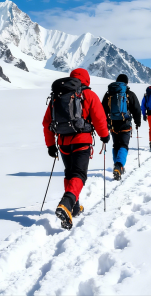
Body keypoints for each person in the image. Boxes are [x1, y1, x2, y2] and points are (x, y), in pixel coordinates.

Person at [43, 68, 110, 230]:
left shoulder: (57, 95)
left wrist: (51, 145)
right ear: (86, 79)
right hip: (82, 140)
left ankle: (74, 207)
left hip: (63, 141)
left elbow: (47, 122)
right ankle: (67, 203)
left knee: (69, 173)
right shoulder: (88, 95)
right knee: (79, 174)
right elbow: (99, 118)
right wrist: (104, 136)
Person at [101, 74, 142, 181]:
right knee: (124, 145)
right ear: (126, 83)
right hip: (125, 123)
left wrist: (106, 123)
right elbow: (137, 109)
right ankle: (119, 166)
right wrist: (138, 122)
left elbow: (103, 110)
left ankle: (117, 166)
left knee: (116, 145)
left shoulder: (109, 94)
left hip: (113, 123)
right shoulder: (129, 94)